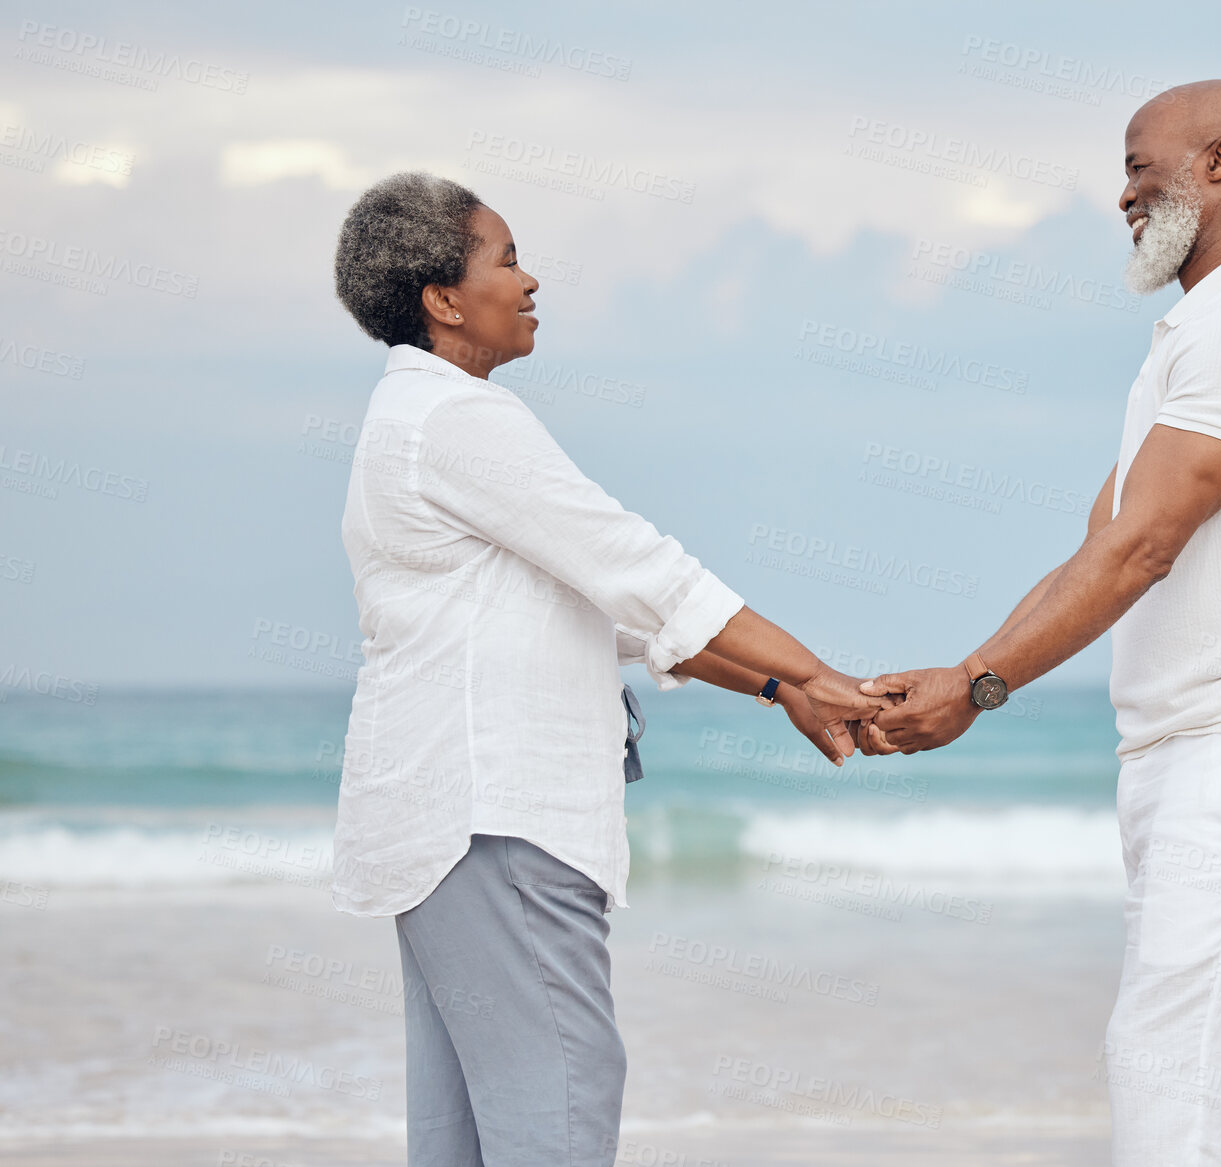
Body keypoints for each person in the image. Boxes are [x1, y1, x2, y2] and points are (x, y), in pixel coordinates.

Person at [859, 81, 1221, 1167]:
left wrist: (984, 686)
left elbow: (1144, 550)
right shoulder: (1198, 334)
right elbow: (1099, 547)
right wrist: (963, 672)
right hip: (1197, 758)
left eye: (1142, 166)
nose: (1123, 193)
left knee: (1173, 1081)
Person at [329, 171, 885, 1166]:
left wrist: (780, 685)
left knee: (466, 1127)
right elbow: (644, 572)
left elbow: (615, 612)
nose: (531, 278)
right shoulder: (457, 421)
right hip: (491, 818)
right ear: (444, 298)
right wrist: (826, 674)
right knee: (563, 1094)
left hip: (444, 826)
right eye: (505, 259)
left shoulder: (416, 422)